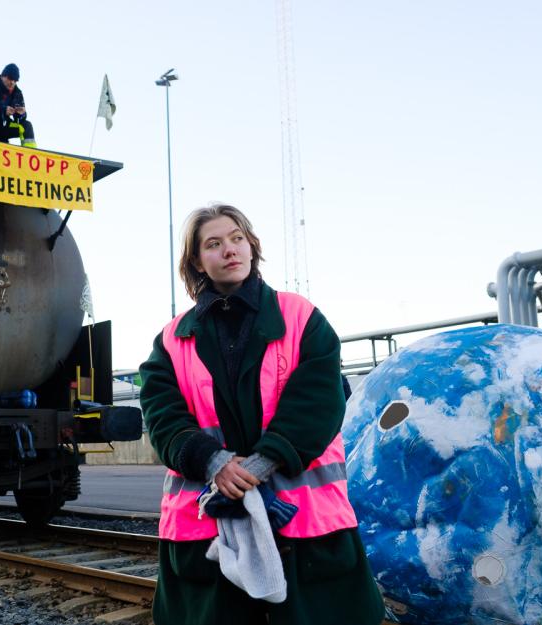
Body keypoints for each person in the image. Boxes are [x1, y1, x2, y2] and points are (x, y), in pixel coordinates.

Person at [139, 204, 383, 625]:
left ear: (252, 247)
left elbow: (319, 402)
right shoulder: (171, 339)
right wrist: (212, 461)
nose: (229, 250)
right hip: (209, 518)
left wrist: (257, 465)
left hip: (302, 517)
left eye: (236, 239)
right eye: (213, 244)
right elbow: (161, 413)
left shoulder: (301, 318)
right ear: (197, 261)